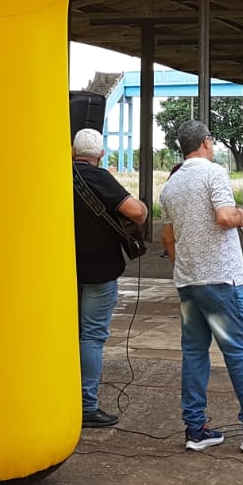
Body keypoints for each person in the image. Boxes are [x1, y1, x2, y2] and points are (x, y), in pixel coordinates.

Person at [158, 120, 243, 455]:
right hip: (221, 280)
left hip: (188, 283)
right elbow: (223, 217)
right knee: (240, 353)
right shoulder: (214, 173)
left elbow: (167, 237)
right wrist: (241, 216)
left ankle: (196, 428)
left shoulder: (171, 184)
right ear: (206, 142)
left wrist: (186, 266)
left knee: (194, 353)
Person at [71, 127, 148, 427]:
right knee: (92, 336)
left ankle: (65, 399)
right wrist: (140, 205)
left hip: (66, 270)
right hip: (100, 271)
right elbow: (136, 213)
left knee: (70, 336)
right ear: (101, 154)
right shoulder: (98, 177)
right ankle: (87, 406)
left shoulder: (56, 175)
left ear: (74, 152)